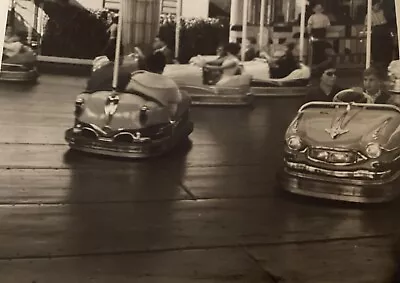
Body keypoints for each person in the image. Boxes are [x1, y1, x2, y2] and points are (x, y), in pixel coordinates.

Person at [365, 0, 393, 69]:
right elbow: (367, 26)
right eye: (376, 5)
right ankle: (378, 66)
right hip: (376, 34)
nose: (378, 6)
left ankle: (386, 64)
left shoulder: (382, 12)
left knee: (386, 50)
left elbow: (386, 22)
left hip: (384, 33)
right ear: (372, 6)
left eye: (378, 5)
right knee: (377, 51)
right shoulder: (369, 14)